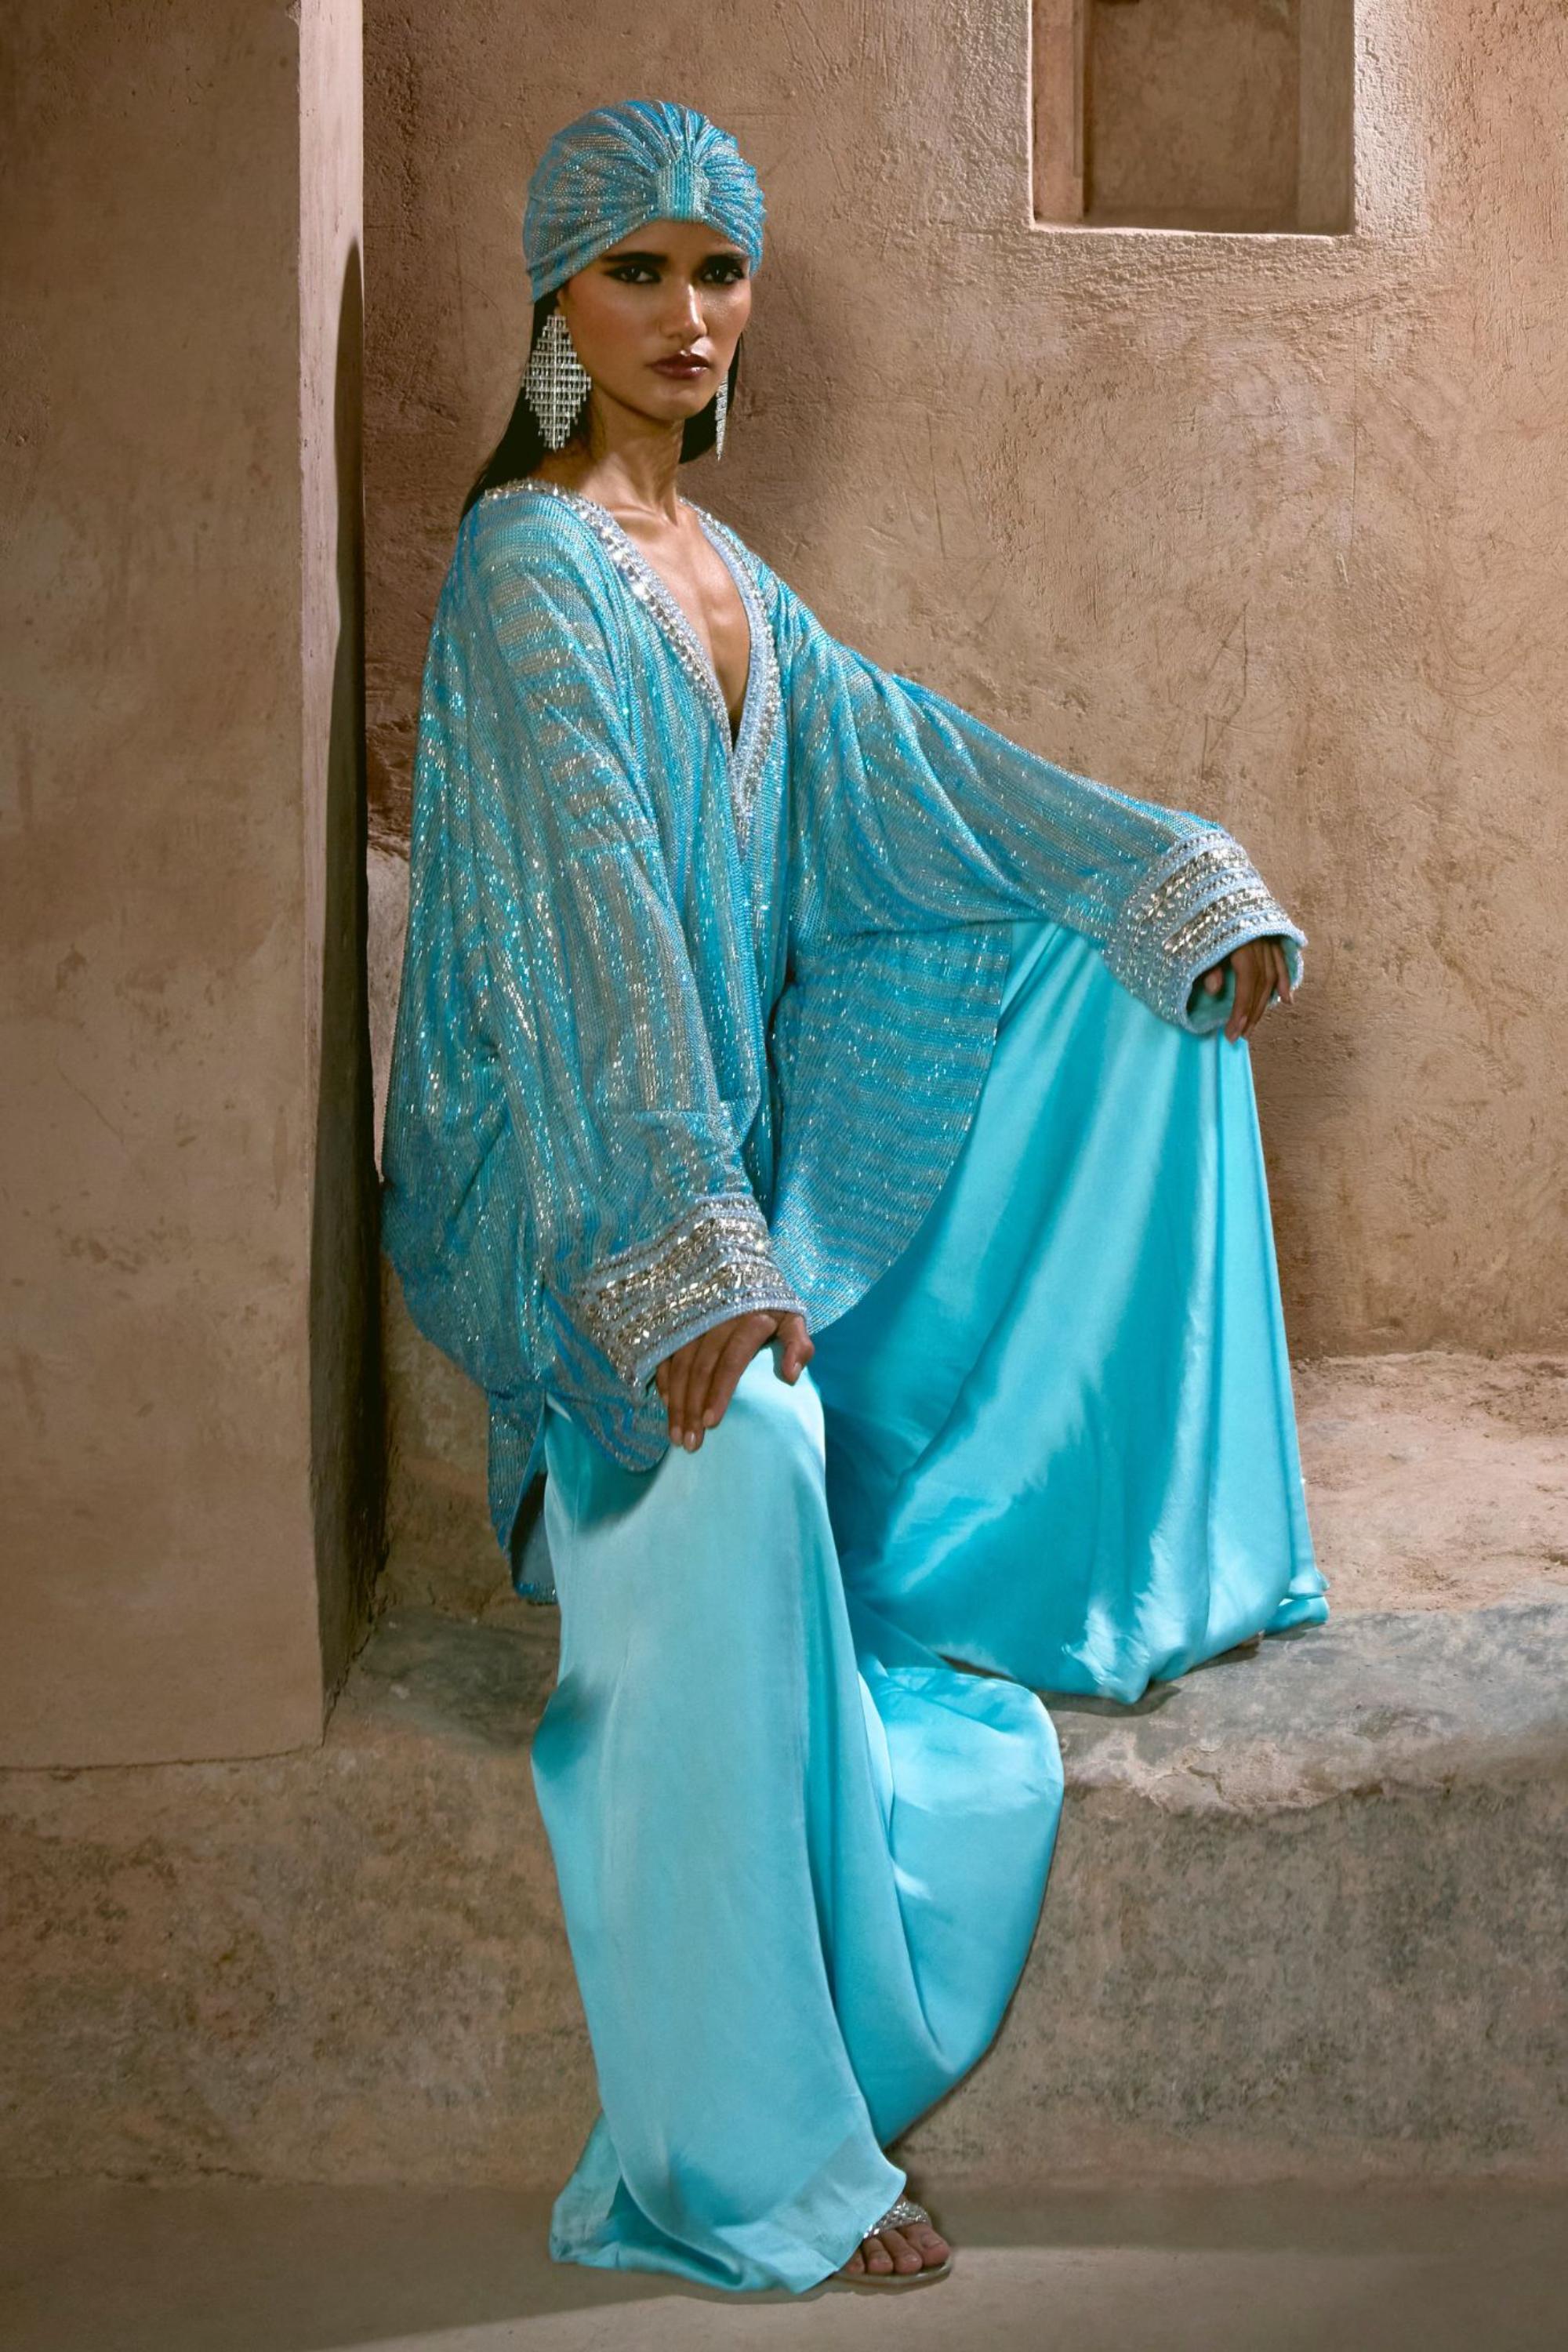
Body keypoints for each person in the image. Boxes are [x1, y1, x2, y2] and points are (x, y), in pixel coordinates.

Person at [380, 97, 1327, 2296]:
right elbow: (596, 942)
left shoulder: (730, 581)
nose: (688, 313)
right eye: (637, 268)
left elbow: (918, 776)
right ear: (555, 299)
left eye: (721, 268)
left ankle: (1047, 1531)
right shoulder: (527, 574)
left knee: (1107, 986)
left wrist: (1165, 873)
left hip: (704, 1179)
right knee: (747, 1467)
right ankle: (737, 2162)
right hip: (575, 1209)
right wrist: (682, 1263)